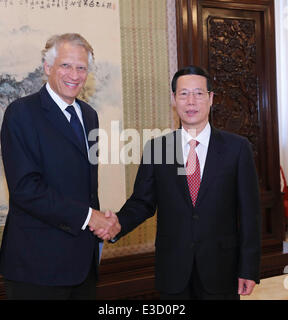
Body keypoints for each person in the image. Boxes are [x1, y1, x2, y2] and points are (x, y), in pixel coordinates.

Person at [96, 65, 261, 300]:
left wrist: (249, 268)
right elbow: (142, 202)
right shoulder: (157, 149)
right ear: (174, 99)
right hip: (173, 269)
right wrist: (117, 224)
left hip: (221, 268)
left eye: (198, 93)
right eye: (183, 94)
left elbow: (249, 214)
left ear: (211, 98)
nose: (191, 101)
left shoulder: (237, 148)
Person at [0, 33, 120, 300]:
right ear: (48, 68)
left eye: (81, 67)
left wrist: (102, 223)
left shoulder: (89, 115)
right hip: (37, 268)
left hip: (83, 265)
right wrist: (90, 217)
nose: (74, 75)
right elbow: (26, 189)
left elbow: (83, 186)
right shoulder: (21, 113)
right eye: (65, 65)